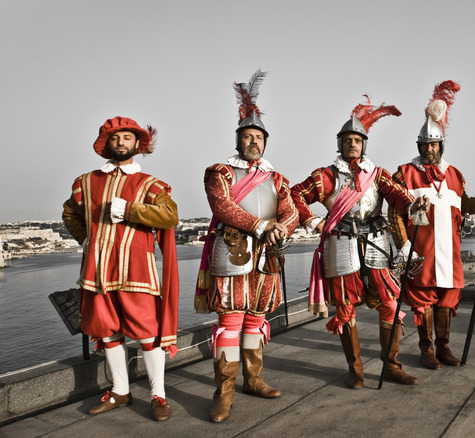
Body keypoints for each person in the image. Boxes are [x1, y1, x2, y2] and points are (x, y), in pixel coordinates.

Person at [291, 97, 430, 388]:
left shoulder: (377, 175)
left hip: (377, 244)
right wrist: (311, 221)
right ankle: (355, 370)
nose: (352, 144)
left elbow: (399, 197)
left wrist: (415, 207)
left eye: (357, 140)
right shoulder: (325, 175)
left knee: (390, 306)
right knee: (345, 310)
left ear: (364, 144)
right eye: (347, 140)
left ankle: (391, 366)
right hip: (340, 245)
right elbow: (295, 195)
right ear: (339, 143)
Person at [194, 68, 298, 423]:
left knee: (255, 321)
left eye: (259, 137)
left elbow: (292, 213)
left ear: (265, 142)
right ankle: (223, 393)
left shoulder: (277, 179)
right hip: (234, 252)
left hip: (267, 256)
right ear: (238, 139)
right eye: (248, 136)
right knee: (230, 323)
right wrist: (260, 225)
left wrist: (280, 229)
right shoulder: (220, 172)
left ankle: (253, 380)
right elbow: (222, 206)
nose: (254, 141)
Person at [62, 116, 179, 421]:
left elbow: (169, 216)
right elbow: (69, 212)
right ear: (106, 144)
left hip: (137, 272)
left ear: (137, 144)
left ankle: (158, 395)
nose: (121, 143)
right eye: (115, 138)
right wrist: (85, 237)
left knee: (148, 333)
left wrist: (130, 210)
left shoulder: (149, 184)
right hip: (98, 272)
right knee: (108, 332)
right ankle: (120, 391)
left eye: (127, 138)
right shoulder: (85, 182)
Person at [388, 81, 475, 370]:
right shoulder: (404, 174)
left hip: (448, 254)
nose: (429, 149)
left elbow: (463, 205)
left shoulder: (455, 175)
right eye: (425, 145)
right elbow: (395, 215)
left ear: (441, 145)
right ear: (419, 145)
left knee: (445, 300)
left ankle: (443, 348)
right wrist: (403, 247)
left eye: (434, 144)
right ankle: (426, 350)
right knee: (423, 301)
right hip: (421, 252)